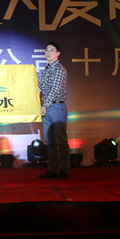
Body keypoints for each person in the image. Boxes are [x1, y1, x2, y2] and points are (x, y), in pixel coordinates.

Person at [37, 42, 70, 179]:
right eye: (47, 50)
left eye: (52, 50)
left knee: (61, 140)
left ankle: (64, 171)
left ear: (58, 53)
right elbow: (44, 87)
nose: (48, 52)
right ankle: (52, 169)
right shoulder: (47, 69)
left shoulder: (59, 69)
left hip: (56, 107)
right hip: (48, 107)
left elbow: (54, 90)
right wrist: (32, 74)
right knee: (50, 142)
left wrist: (45, 106)